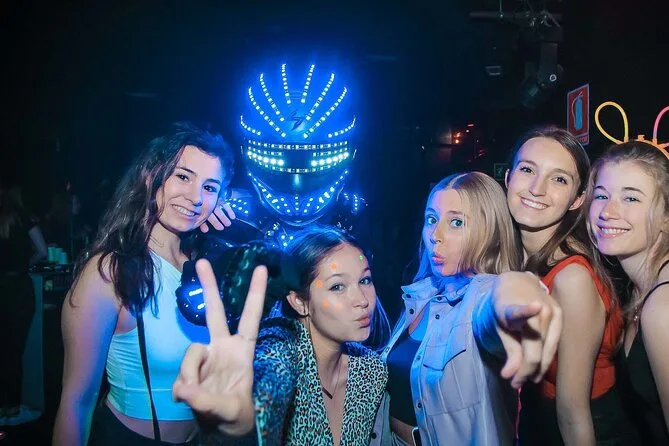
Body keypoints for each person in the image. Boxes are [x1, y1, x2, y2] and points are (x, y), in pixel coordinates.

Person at [52, 122, 235, 446]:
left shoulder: (209, 268)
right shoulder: (110, 272)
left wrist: (232, 236)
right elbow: (77, 402)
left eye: (209, 187)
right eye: (183, 177)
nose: (195, 197)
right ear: (152, 176)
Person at [369, 171, 563, 446]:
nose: (435, 236)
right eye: (431, 219)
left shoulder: (481, 295)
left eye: (456, 222)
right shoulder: (421, 296)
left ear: (490, 232)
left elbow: (495, 304)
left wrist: (516, 292)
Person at [174, 226, 388, 445]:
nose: (362, 300)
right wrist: (239, 425)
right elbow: (270, 378)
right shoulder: (279, 354)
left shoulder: (370, 372)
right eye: (337, 287)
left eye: (364, 280)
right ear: (299, 301)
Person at [505, 126, 638, 445]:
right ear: (508, 178)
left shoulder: (572, 278)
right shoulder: (515, 259)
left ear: (578, 199)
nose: (537, 189)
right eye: (527, 170)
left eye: (559, 179)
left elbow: (573, 413)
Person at [587, 140, 669, 445]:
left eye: (631, 198)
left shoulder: (663, 306)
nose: (608, 211)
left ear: (666, 217)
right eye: (601, 195)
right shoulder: (635, 289)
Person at [0, 181, 47, 421]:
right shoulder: (23, 216)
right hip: (18, 287)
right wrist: (23, 263)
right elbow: (43, 250)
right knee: (15, 349)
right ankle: (12, 408)